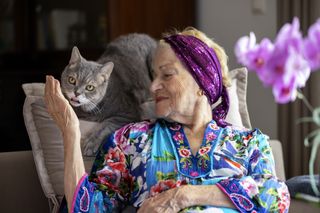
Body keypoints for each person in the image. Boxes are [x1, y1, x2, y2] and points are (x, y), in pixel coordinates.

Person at [45, 27, 290, 213]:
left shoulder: (248, 143)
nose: (153, 86)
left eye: (167, 74)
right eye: (154, 75)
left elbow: (276, 197)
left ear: (201, 83)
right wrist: (70, 131)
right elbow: (86, 208)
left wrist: (186, 195)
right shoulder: (130, 140)